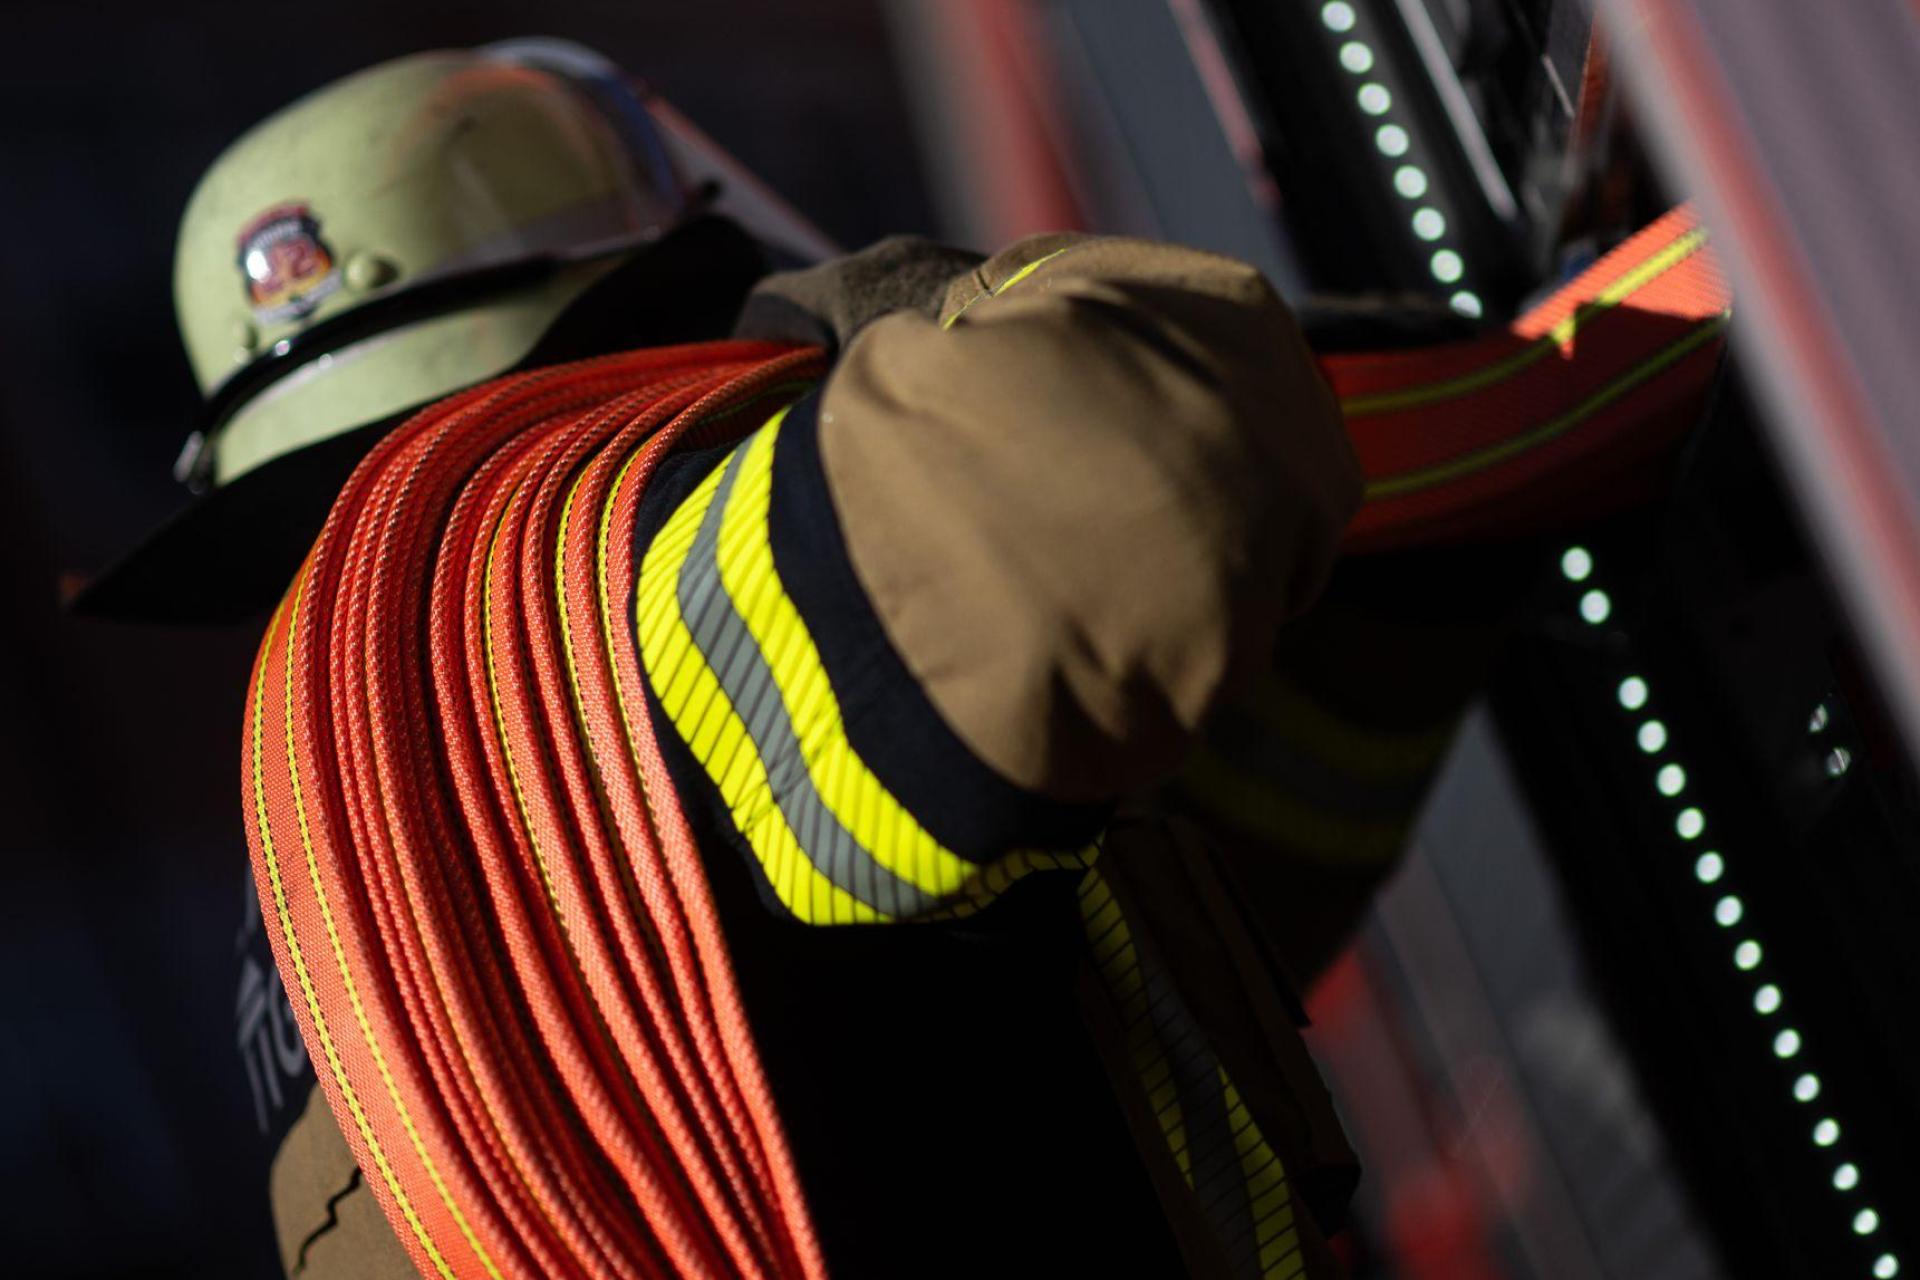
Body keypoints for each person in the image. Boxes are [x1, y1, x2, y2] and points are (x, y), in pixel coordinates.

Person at [86, 39, 1363, 1280]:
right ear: (644, 298)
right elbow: (1147, 458)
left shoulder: (313, 904)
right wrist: (882, 322)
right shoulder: (646, 601)